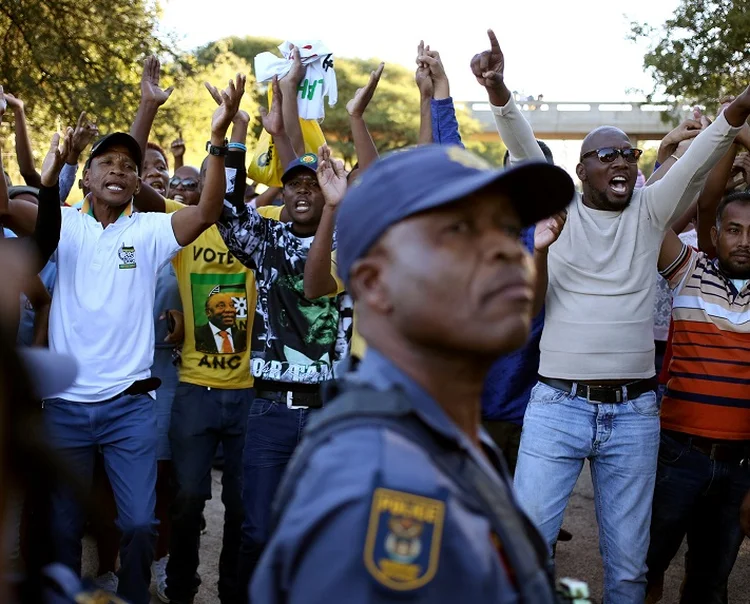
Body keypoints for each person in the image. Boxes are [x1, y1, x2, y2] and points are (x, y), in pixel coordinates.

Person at [475, 28, 750, 603]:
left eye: (630, 153)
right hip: (556, 408)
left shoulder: (651, 210)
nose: (623, 161)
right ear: (581, 171)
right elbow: (525, 147)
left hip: (635, 413)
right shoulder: (561, 209)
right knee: (527, 550)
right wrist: (499, 92)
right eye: (608, 155)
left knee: (627, 570)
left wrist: (741, 104)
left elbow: (704, 152)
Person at [250, 141, 576, 603]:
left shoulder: (443, 433)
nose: (506, 250)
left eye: (507, 227)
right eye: (459, 230)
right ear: (374, 283)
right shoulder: (378, 485)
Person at [38, 66, 243, 604]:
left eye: (129, 167)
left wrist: (218, 143)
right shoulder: (64, 225)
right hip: (64, 406)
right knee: (61, 530)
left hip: (130, 406)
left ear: (137, 182)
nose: (119, 171)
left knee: (137, 525)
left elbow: (207, 211)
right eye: (106, 163)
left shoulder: (149, 232)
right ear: (85, 179)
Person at [126, 65, 290, 604]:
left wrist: (269, 119)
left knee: (243, 509)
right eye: (206, 183)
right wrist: (149, 111)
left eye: (222, 178)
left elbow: (301, 186)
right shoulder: (181, 221)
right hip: (194, 390)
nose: (218, 188)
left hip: (251, 394)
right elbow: (132, 181)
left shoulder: (262, 227)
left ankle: (235, 595)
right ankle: (180, 590)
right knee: (188, 500)